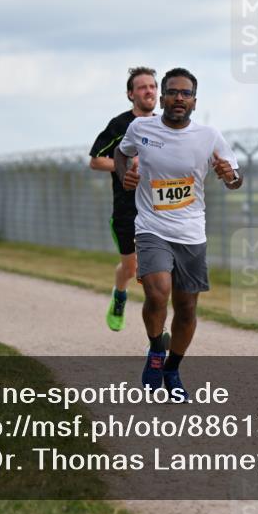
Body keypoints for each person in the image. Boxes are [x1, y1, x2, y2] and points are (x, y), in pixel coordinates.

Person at [115, 68, 243, 396]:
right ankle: (156, 348)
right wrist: (124, 175)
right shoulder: (140, 128)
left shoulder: (209, 136)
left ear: (194, 102)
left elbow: (235, 179)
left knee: (186, 309)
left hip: (191, 233)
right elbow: (121, 153)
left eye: (186, 93)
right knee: (158, 293)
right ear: (162, 98)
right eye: (172, 92)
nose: (179, 98)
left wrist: (229, 175)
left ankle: (172, 369)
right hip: (151, 227)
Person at [89, 66, 158, 332]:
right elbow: (96, 161)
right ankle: (120, 295)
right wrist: (127, 164)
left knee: (157, 269)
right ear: (131, 94)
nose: (149, 91)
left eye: (152, 86)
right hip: (127, 210)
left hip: (159, 210)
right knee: (131, 270)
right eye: (142, 87)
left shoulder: (165, 126)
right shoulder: (120, 125)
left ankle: (158, 325)